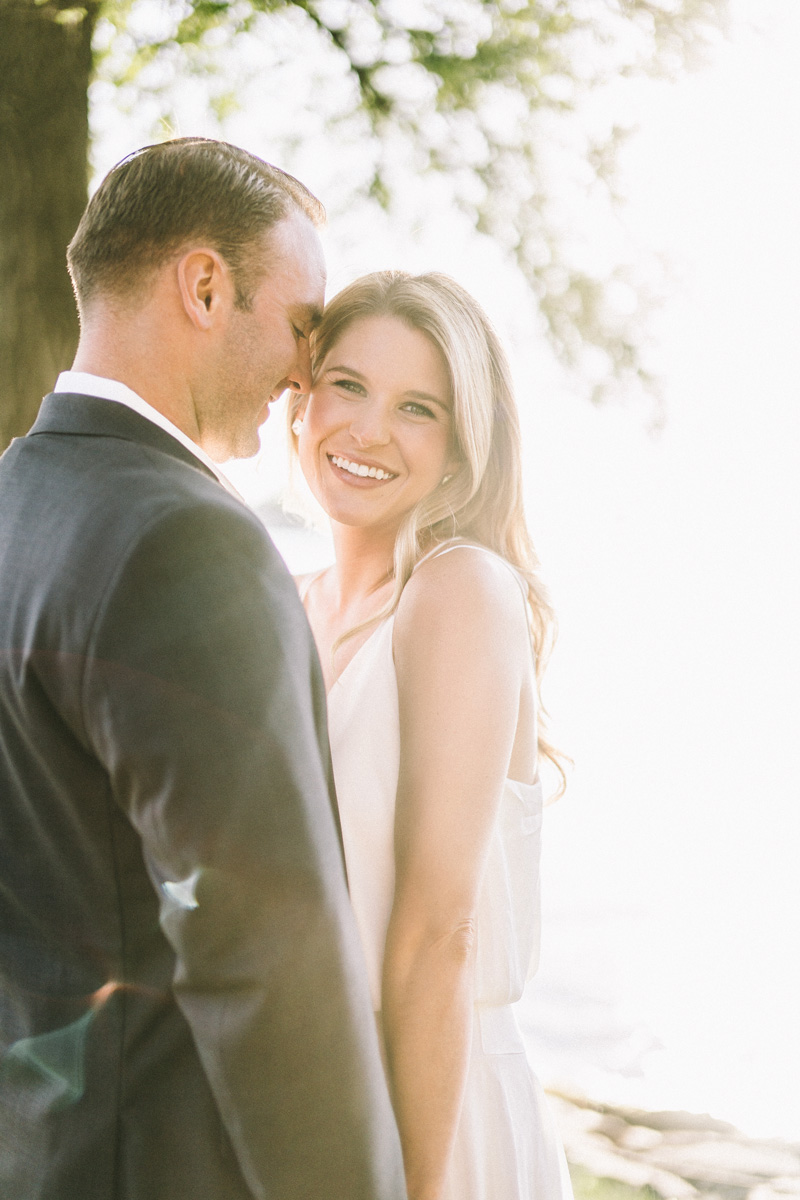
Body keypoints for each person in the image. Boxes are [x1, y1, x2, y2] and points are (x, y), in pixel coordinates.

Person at [0, 140, 406, 1200]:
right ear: (205, 284)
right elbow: (263, 956)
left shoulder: (12, 505)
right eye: (303, 323)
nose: (304, 371)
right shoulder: (188, 540)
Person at [290, 270, 575, 1200]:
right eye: (348, 385)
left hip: (436, 1112)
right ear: (301, 398)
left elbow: (440, 931)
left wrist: (413, 1188)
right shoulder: (296, 602)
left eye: (418, 408)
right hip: (317, 1094)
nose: (368, 430)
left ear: (460, 448)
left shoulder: (461, 590)